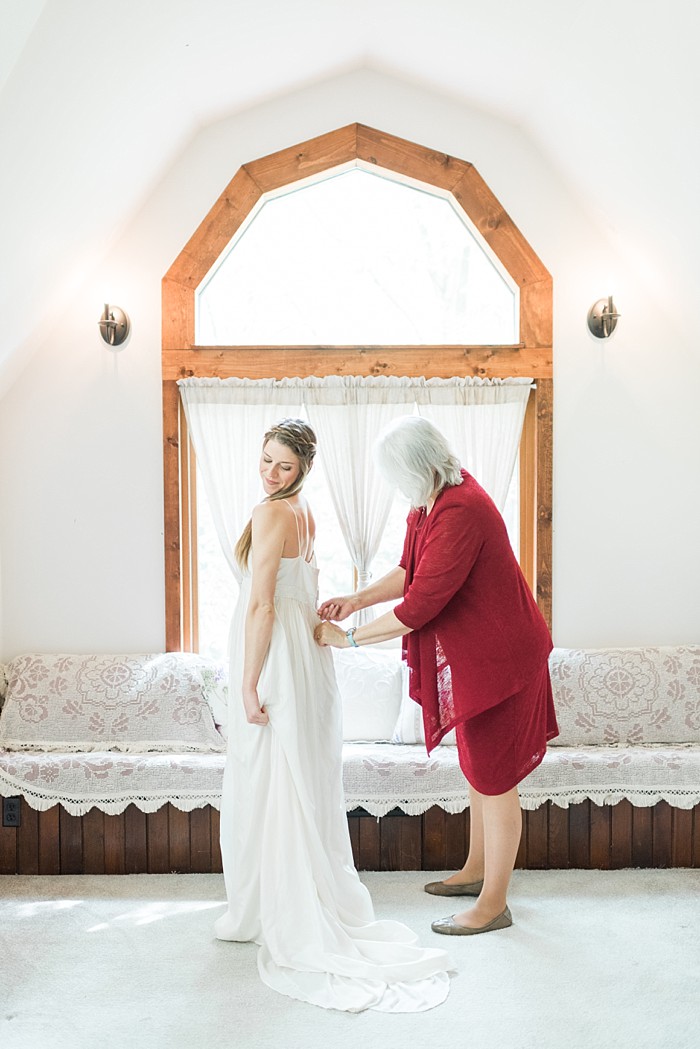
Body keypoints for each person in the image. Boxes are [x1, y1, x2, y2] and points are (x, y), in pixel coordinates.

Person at [214, 418, 453, 1012]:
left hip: (278, 659)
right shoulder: (300, 512)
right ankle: (291, 895)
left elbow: (264, 604)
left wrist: (247, 684)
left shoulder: (274, 514)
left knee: (273, 776)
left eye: (283, 466)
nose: (270, 472)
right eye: (265, 459)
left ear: (303, 470)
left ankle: (274, 907)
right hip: (304, 657)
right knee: (294, 778)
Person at [315, 415, 558, 937]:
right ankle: (476, 871)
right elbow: (409, 571)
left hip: (505, 660)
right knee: (478, 770)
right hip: (481, 659)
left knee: (495, 779)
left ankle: (494, 903)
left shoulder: (461, 509)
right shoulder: (429, 503)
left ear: (418, 467)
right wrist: (356, 600)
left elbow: (421, 604)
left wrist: (351, 639)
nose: (397, 489)